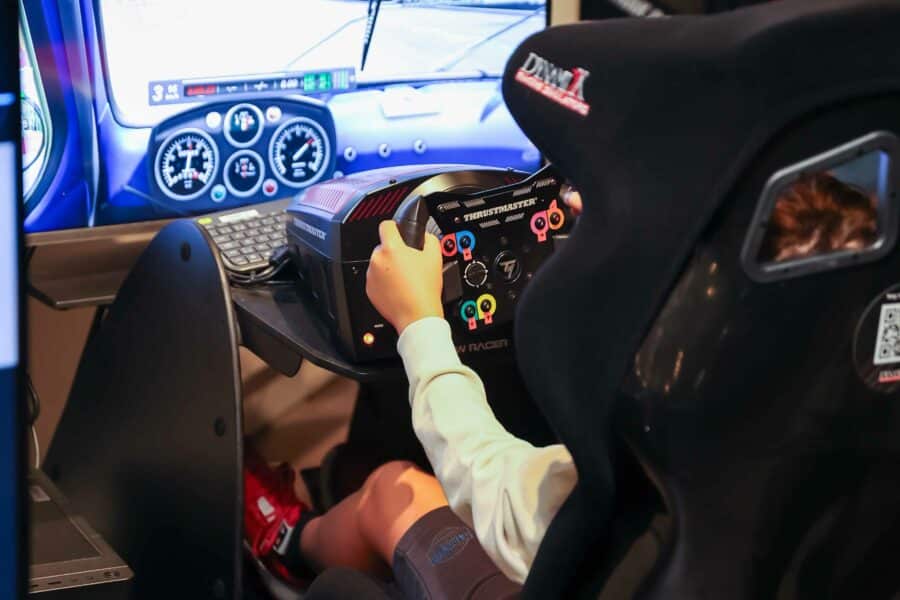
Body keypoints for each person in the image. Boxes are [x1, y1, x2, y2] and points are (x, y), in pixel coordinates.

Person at [246, 174, 875, 591]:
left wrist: (419, 321)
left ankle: (287, 542)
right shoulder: (841, 448)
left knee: (393, 489)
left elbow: (489, 484)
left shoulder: (643, 485)